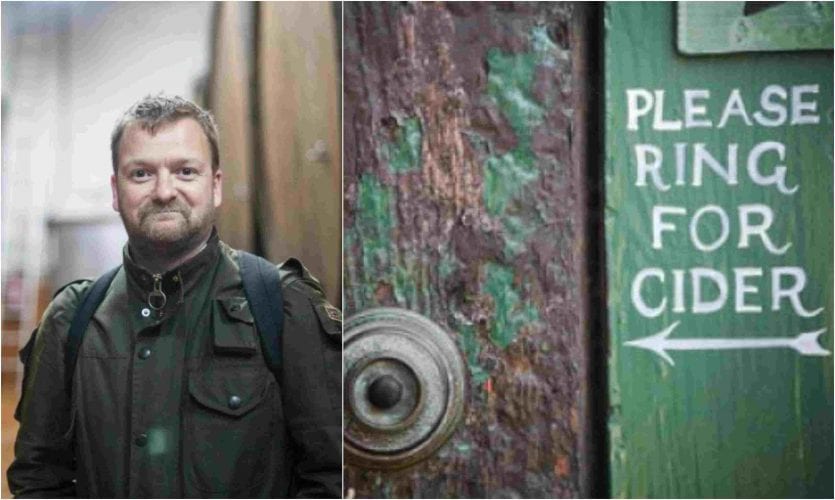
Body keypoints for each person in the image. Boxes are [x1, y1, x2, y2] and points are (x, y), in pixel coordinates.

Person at [7, 95, 342, 498]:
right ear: (115, 190)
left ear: (215, 185)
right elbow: (38, 478)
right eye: (141, 174)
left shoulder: (281, 305)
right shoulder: (71, 319)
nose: (164, 191)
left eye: (185, 171)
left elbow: (332, 476)